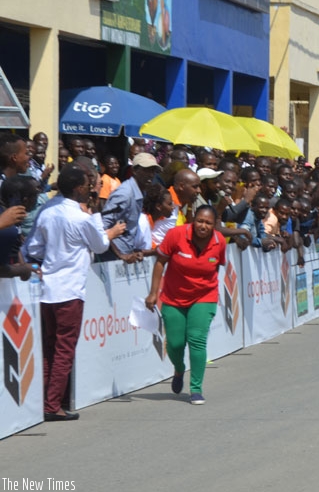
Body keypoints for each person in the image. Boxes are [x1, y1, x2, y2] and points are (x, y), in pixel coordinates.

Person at [25, 165, 126, 421]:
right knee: (64, 349)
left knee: (50, 348)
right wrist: (102, 224)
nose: (92, 188)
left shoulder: (48, 212)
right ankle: (51, 405)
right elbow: (101, 244)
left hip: (48, 288)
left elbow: (34, 247)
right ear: (79, 188)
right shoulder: (80, 217)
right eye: (88, 184)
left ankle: (47, 402)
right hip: (69, 290)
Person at [144, 205, 227, 405]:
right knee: (175, 344)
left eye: (208, 223)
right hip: (173, 297)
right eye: (199, 220)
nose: (203, 226)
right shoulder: (176, 235)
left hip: (204, 296)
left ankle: (196, 389)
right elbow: (160, 262)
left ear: (214, 225)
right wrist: (154, 293)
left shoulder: (219, 241)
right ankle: (179, 369)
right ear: (193, 220)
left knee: (197, 339)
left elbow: (216, 266)